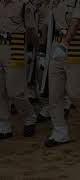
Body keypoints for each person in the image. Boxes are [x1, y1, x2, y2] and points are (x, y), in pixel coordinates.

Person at [46, 0, 80, 147]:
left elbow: (75, 22)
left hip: (73, 46)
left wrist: (64, 45)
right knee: (54, 93)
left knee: (75, 92)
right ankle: (60, 131)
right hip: (56, 45)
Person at [0, 0, 39, 139]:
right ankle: (4, 124)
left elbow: (31, 30)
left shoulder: (24, 4)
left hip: (16, 45)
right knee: (1, 89)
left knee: (15, 90)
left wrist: (36, 48)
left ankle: (29, 116)